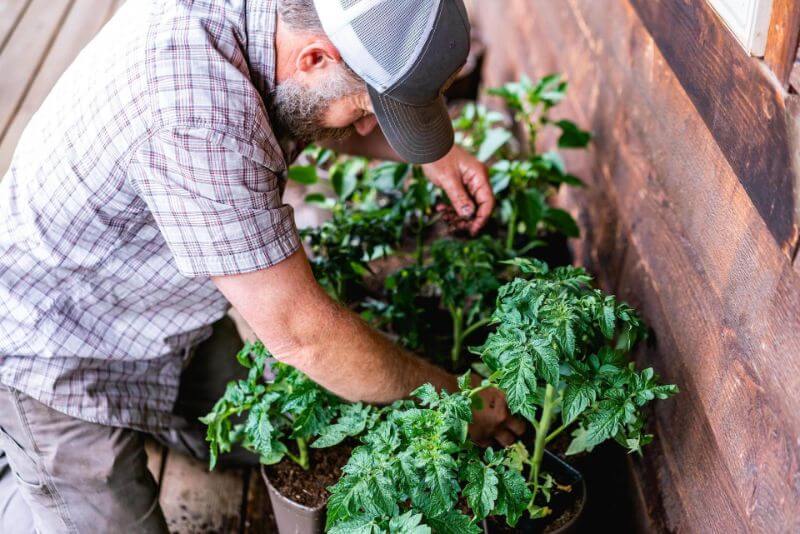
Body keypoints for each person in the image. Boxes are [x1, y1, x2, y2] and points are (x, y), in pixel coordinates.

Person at [0, 0, 523, 531]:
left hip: (167, 315)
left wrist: (428, 151)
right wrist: (458, 399)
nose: (368, 129)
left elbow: (305, 101)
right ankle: (20, 467)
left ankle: (142, 427)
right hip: (57, 347)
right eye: (368, 111)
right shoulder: (198, 116)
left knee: (296, 427)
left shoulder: (284, 23)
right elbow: (304, 336)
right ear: (318, 58)